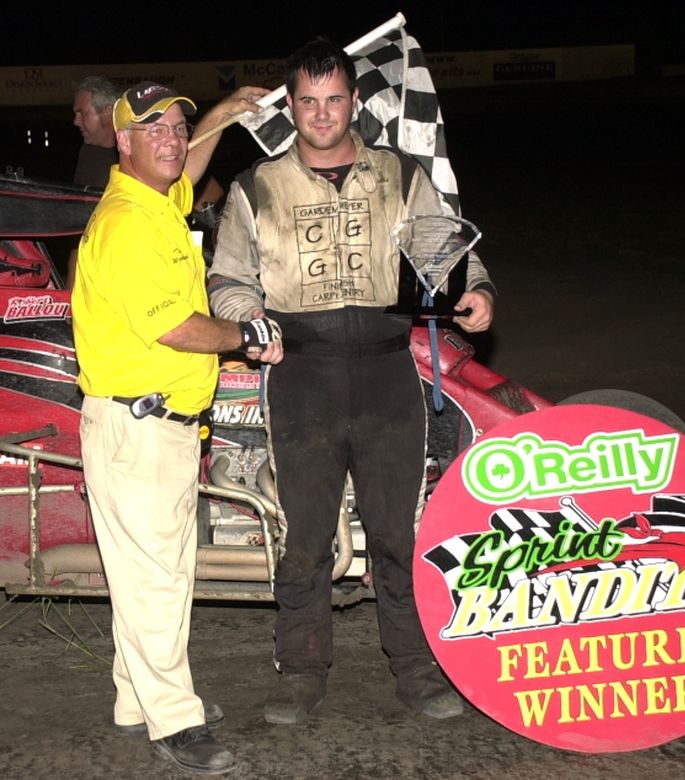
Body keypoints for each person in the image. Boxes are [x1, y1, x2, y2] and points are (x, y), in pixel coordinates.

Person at [207, 38, 496, 725]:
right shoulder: (257, 188)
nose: (322, 113)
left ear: (354, 101)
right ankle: (301, 672)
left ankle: (417, 668)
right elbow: (226, 280)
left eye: (334, 99)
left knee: (400, 532)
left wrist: (476, 290)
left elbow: (447, 249)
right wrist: (247, 316)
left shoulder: (400, 174)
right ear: (293, 106)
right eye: (307, 101)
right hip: (301, 375)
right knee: (305, 536)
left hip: (388, 369)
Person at [71, 81, 283, 775]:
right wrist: (249, 335)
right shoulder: (128, 224)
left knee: (148, 575)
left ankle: (137, 699)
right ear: (120, 141)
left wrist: (220, 114)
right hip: (138, 427)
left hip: (155, 427)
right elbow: (177, 328)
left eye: (177, 126)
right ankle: (174, 719)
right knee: (158, 580)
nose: (170, 139)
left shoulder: (151, 201)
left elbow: (184, 169)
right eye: (152, 129)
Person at [65, 76, 120, 291]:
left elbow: (210, 189)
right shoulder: (89, 154)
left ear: (107, 112)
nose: (75, 121)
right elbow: (79, 230)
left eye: (82, 113)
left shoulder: (139, 148)